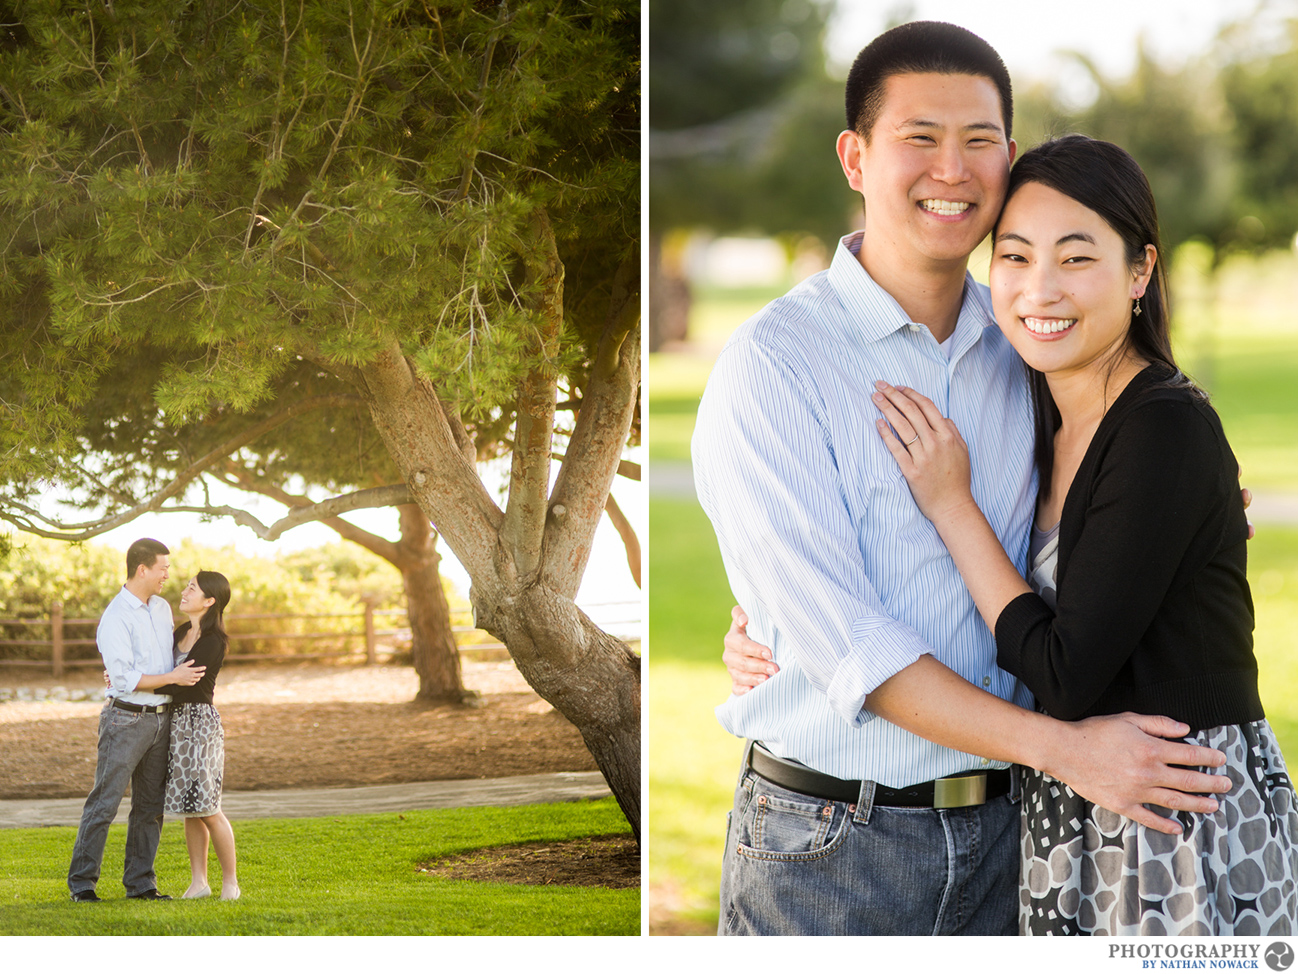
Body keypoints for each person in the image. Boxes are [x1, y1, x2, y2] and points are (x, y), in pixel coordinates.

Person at [691, 21, 1231, 937]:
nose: (952, 169)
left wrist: (1203, 513)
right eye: (919, 138)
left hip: (1013, 837)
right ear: (855, 157)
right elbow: (852, 643)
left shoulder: (1026, 340)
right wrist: (1067, 753)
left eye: (978, 141)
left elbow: (1116, 491)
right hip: (832, 844)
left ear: (1009, 158)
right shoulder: (772, 366)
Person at [865, 135, 1298, 934]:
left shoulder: (1161, 428)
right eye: (1017, 257)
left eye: (1075, 258)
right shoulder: (1041, 410)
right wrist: (774, 632)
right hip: (1081, 817)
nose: (1040, 290)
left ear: (1140, 272)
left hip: (1177, 830)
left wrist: (950, 504)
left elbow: (1065, 673)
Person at [68, 538, 204, 902]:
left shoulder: (160, 608)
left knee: (150, 807)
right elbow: (125, 678)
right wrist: (170, 679)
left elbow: (167, 657)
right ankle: (82, 884)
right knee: (105, 803)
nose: (167, 575)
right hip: (125, 721)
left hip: (162, 720)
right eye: (163, 568)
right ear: (142, 569)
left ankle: (141, 884)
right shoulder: (115, 617)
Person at [155, 571, 240, 902]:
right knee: (190, 806)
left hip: (199, 725)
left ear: (209, 601)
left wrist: (135, 681)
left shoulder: (213, 641)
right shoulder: (180, 633)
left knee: (207, 806)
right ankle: (199, 882)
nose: (184, 591)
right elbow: (168, 675)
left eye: (193, 588)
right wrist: (130, 675)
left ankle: (230, 882)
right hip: (174, 723)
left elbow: (180, 683)